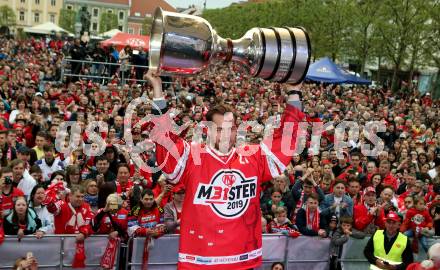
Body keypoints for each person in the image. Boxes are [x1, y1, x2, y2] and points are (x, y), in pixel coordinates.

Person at [147, 70, 305, 269]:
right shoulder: (192, 156)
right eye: (220, 129)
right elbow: (164, 139)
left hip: (243, 259)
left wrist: (294, 94)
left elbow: (286, 141)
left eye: (230, 129)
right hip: (200, 261)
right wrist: (158, 91)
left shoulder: (253, 156)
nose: (225, 135)